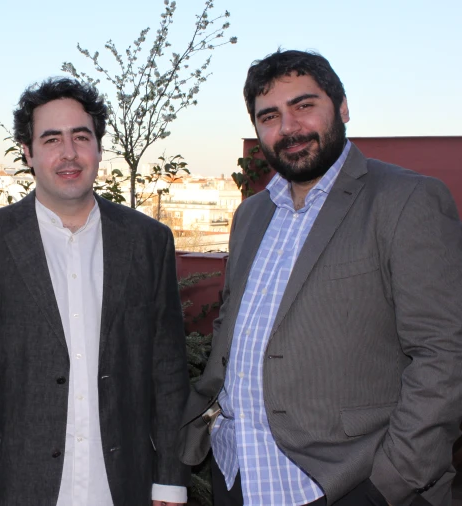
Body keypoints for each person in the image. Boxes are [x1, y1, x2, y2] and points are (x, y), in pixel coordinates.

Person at [178, 49, 462, 505]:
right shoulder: (251, 215)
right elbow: (233, 329)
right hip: (237, 474)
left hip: (342, 482)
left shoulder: (407, 201)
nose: (287, 128)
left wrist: (389, 483)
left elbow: (444, 354)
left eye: (304, 106)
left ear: (342, 107)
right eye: (269, 115)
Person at [0, 77, 190, 506]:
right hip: (11, 486)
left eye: (81, 137)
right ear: (27, 152)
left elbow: (169, 371)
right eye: (51, 139)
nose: (68, 153)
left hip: (122, 486)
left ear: (99, 148)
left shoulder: (148, 242)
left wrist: (170, 481)